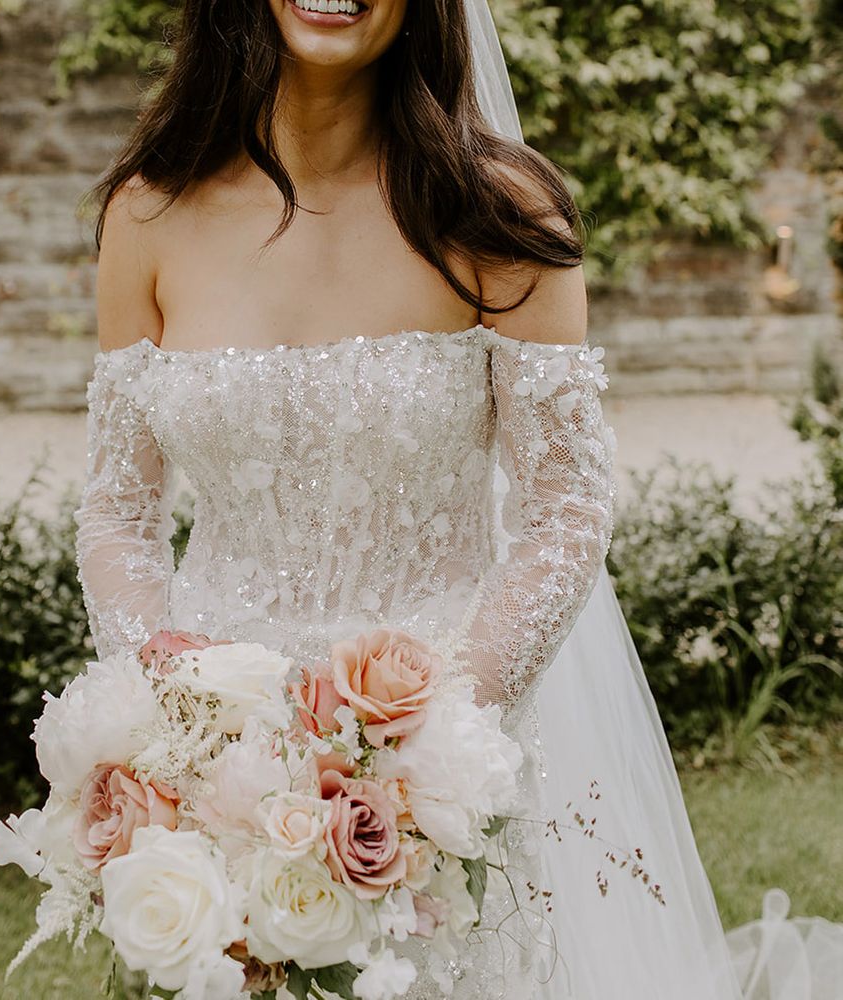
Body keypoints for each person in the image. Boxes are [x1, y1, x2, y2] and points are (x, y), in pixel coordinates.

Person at [72, 1, 840, 996]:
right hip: (218, 767)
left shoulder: (496, 211)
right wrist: (171, 709)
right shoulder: (148, 213)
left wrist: (433, 743)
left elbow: (565, 505)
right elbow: (118, 513)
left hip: (437, 752)